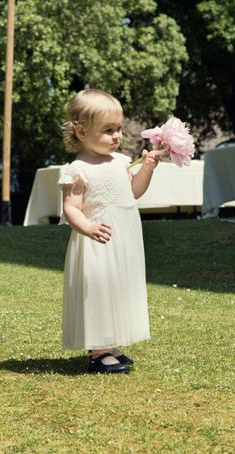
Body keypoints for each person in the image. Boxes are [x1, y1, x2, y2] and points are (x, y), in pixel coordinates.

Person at [58, 89, 158, 374]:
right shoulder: (78, 169)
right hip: (97, 240)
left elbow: (133, 192)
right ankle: (99, 350)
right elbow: (71, 208)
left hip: (124, 237)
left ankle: (111, 344)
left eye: (119, 129)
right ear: (81, 131)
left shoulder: (121, 162)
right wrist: (88, 227)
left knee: (119, 287)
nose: (117, 136)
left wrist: (147, 168)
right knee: (100, 290)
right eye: (108, 130)